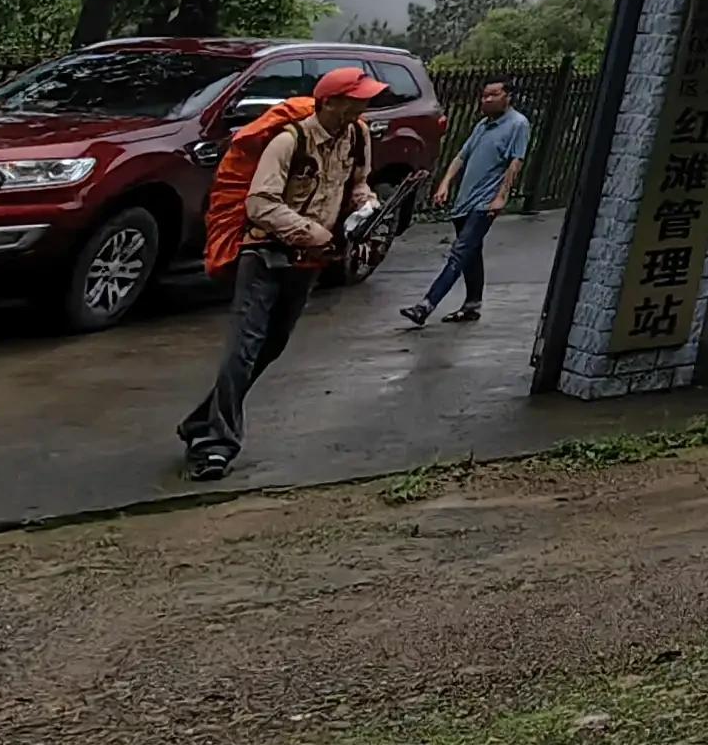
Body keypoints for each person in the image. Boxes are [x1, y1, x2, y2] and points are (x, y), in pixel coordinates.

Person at [177, 64, 384, 480]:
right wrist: (312, 232)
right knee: (244, 348)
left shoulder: (357, 135)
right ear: (332, 102)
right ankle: (216, 445)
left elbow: (358, 182)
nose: (365, 104)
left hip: (308, 262)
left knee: (271, 346)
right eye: (357, 98)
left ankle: (201, 422)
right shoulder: (288, 141)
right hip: (265, 255)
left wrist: (365, 207)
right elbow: (261, 205)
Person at [400, 78, 530, 329]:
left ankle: (425, 305)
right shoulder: (482, 126)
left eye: (494, 95)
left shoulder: (518, 125)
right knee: (471, 254)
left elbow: (516, 162)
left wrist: (501, 196)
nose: (487, 100)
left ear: (508, 97)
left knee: (459, 253)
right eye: (484, 96)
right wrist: (445, 183)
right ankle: (472, 306)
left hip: (484, 204)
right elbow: (462, 156)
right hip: (465, 202)